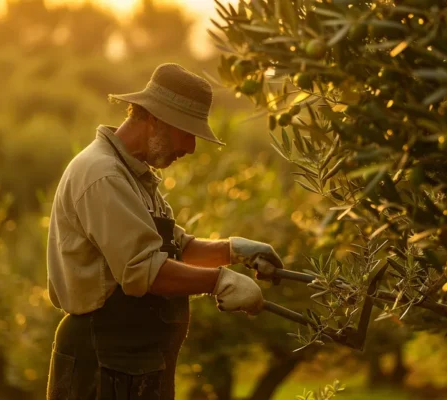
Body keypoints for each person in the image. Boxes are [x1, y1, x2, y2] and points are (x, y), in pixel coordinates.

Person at [46, 63, 284, 400]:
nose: (190, 148)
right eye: (187, 133)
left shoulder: (134, 175)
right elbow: (143, 271)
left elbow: (175, 247)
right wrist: (218, 281)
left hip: (134, 360)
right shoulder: (104, 175)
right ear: (155, 119)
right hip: (101, 360)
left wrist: (234, 251)